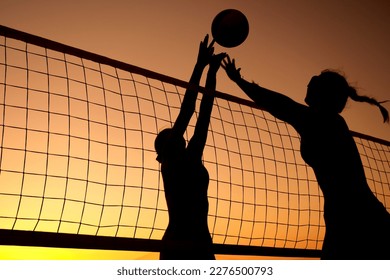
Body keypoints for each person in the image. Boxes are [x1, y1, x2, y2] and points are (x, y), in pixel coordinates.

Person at [222, 56, 390, 259]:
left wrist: (238, 81)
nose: (311, 79)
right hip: (350, 217)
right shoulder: (325, 120)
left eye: (317, 79)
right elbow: (281, 105)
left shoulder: (323, 120)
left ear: (324, 94)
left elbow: (278, 103)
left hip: (357, 219)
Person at [155, 35, 225, 260]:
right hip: (180, 243)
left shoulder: (191, 156)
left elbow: (204, 112)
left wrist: (212, 74)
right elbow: (188, 110)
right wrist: (200, 66)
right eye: (172, 136)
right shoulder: (171, 162)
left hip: (202, 242)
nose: (177, 135)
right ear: (164, 150)